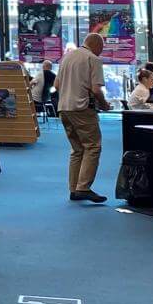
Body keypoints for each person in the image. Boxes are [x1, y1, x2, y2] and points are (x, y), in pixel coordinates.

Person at [57, 34, 107, 203]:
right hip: (82, 108)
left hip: (64, 108)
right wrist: (105, 105)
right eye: (102, 48)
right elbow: (96, 90)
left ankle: (74, 188)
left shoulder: (66, 57)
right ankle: (83, 187)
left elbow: (56, 85)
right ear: (97, 45)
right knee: (93, 146)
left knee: (77, 149)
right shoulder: (93, 59)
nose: (101, 52)